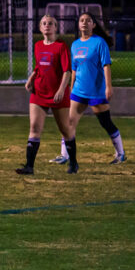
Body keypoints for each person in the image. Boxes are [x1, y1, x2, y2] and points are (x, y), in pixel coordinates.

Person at [18, 15, 77, 175]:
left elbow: (67, 71)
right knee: (34, 127)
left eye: (50, 23)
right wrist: (30, 79)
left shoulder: (61, 46)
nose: (47, 25)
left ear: (56, 27)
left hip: (57, 94)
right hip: (39, 92)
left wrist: (61, 90)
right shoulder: (38, 45)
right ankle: (29, 166)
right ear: (40, 27)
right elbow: (38, 66)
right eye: (44, 23)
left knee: (65, 130)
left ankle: (73, 163)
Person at [67, 12, 127, 164]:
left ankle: (120, 153)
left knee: (105, 123)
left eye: (88, 20)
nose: (84, 22)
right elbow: (74, 69)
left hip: (96, 91)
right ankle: (64, 155)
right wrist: (71, 87)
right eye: (82, 20)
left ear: (93, 25)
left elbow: (106, 65)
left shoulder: (100, 43)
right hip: (79, 91)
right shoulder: (75, 45)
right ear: (78, 25)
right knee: (69, 123)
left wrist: (108, 86)